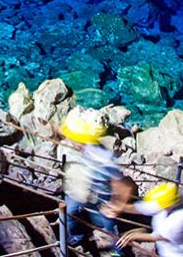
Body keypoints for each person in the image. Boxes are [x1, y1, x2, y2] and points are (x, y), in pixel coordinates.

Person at [59, 109, 127, 256]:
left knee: (110, 224)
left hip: (103, 196)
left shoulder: (102, 156)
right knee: (70, 212)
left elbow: (120, 183)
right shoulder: (89, 147)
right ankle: (76, 238)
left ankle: (118, 252)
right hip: (87, 189)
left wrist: (117, 204)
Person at [113, 182, 183, 257]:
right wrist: (120, 207)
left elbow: (161, 236)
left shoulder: (182, 216)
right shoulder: (165, 203)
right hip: (165, 250)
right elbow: (143, 208)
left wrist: (135, 235)